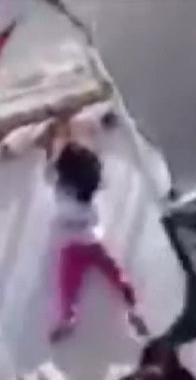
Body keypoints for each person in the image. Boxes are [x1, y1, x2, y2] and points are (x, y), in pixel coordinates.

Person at [41, 113, 148, 343]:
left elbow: (50, 162)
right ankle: (133, 309)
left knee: (68, 285)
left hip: (71, 245)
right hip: (93, 240)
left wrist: (53, 138)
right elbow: (89, 161)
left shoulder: (58, 185)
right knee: (118, 276)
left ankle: (68, 317)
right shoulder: (90, 184)